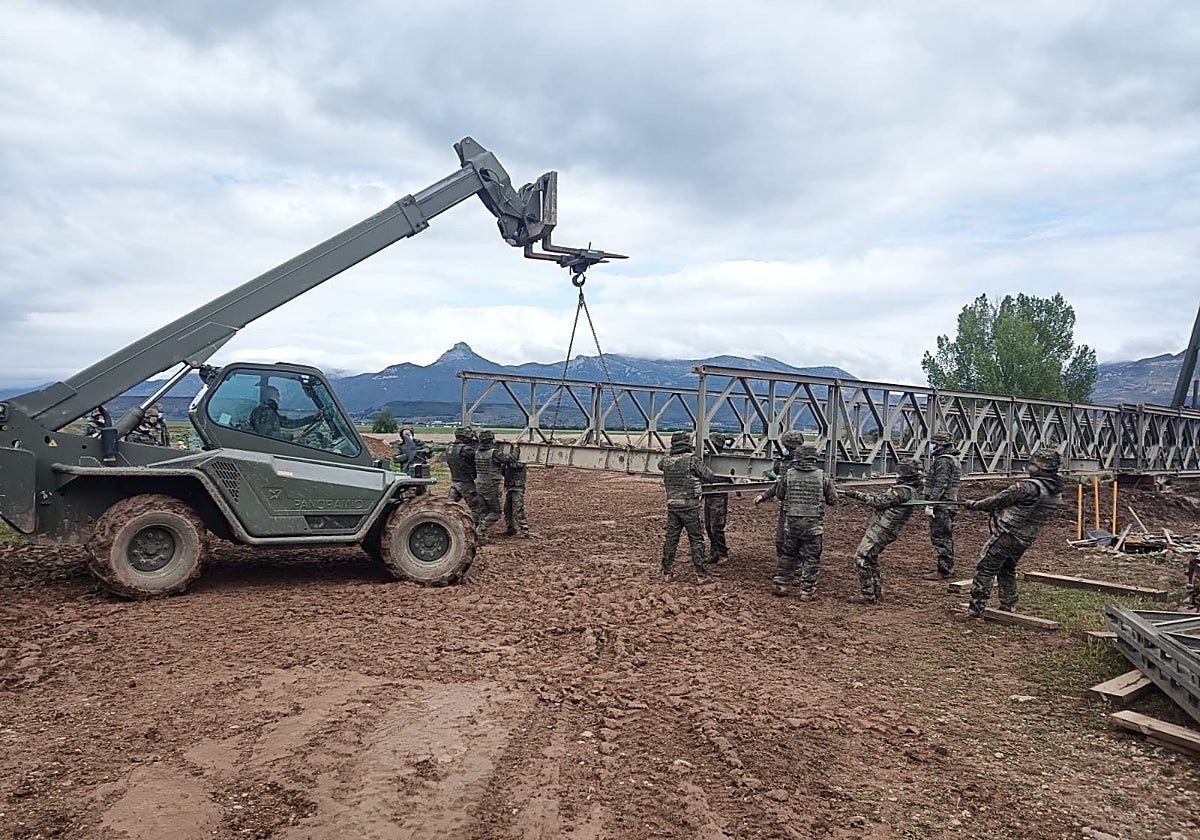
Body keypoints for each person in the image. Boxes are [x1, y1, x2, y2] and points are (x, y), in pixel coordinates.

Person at [955, 448, 1064, 620]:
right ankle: (1008, 604)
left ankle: (975, 610)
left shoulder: (1027, 487)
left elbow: (998, 499)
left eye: (1033, 464)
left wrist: (974, 504)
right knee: (1007, 568)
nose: (1030, 466)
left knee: (986, 568)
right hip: (1026, 538)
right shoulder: (1055, 491)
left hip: (1008, 534)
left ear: (1040, 467)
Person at [754, 437, 837, 600]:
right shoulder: (822, 476)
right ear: (813, 459)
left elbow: (780, 494)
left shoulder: (790, 474)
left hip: (791, 522)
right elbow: (833, 500)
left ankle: (781, 584)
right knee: (811, 557)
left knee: (788, 554)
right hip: (813, 524)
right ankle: (807, 591)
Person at [842, 460, 924, 604]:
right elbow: (884, 498)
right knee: (870, 558)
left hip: (882, 529)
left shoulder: (902, 491)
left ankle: (867, 595)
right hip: (886, 529)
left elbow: (879, 502)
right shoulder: (909, 490)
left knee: (861, 558)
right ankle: (876, 592)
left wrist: (857, 495)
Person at [658, 430, 719, 584]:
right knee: (696, 540)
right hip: (690, 506)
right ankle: (701, 575)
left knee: (671, 539)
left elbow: (660, 464)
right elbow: (709, 476)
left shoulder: (666, 461)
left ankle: (666, 572)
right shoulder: (692, 460)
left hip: (673, 505)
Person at [922, 431, 962, 580]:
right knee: (945, 536)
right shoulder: (952, 459)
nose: (934, 447)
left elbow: (941, 484)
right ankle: (947, 567)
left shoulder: (943, 461)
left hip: (942, 505)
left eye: (935, 444)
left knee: (941, 537)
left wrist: (931, 504)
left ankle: (944, 570)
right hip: (947, 503)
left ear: (941, 445)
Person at [473, 430, 515, 538]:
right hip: (491, 485)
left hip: (479, 485)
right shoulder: (494, 453)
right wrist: (516, 448)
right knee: (496, 512)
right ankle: (481, 529)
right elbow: (510, 459)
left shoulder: (477, 452)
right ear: (491, 440)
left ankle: (481, 536)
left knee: (483, 511)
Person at [249, 386, 322, 440]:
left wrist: (312, 417)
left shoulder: (271, 413)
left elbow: (289, 423)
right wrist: (292, 436)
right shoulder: (263, 413)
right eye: (277, 395)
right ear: (268, 397)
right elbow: (266, 435)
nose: (279, 398)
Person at [704, 432, 733, 564]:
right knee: (709, 526)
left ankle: (722, 553)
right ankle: (714, 552)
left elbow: (732, 478)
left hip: (719, 496)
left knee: (717, 527)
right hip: (708, 495)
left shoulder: (725, 458)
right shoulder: (707, 456)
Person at [446, 426, 483, 522]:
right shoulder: (465, 449)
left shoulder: (450, 447)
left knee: (449, 506)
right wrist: (477, 440)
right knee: (476, 507)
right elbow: (479, 454)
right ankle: (476, 528)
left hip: (455, 481)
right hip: (466, 482)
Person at [502, 448, 531, 538]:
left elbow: (513, 464)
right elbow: (504, 472)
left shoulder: (520, 462)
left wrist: (504, 461)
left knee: (517, 510)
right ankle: (510, 529)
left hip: (517, 488)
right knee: (507, 510)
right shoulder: (511, 462)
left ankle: (524, 530)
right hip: (511, 487)